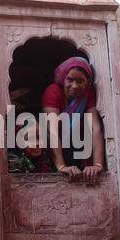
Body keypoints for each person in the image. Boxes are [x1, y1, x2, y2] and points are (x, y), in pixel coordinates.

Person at [42, 56, 104, 184]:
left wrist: (97, 164)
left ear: (87, 82)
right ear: (63, 79)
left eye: (80, 81)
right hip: (53, 150)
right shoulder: (53, 91)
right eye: (70, 80)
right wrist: (61, 166)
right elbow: (51, 130)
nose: (75, 86)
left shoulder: (87, 94)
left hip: (78, 148)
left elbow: (95, 128)